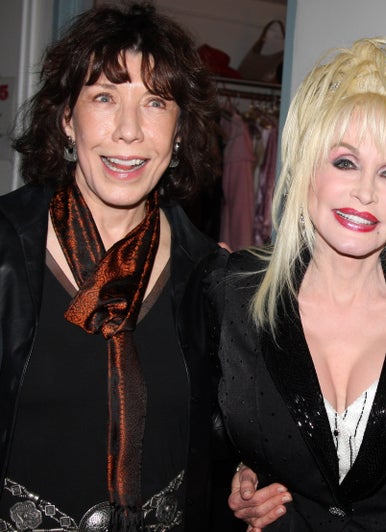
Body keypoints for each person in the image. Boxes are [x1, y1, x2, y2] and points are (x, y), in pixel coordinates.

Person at [198, 37, 386, 531]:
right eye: (345, 162)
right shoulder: (230, 290)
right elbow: (192, 439)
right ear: (306, 169)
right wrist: (233, 480)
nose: (365, 192)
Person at [0, 3, 224, 530]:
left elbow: (221, 439)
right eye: (104, 97)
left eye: (154, 103)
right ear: (66, 120)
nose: (128, 130)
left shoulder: (210, 277)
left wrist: (249, 478)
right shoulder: (6, 251)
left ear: (178, 130)